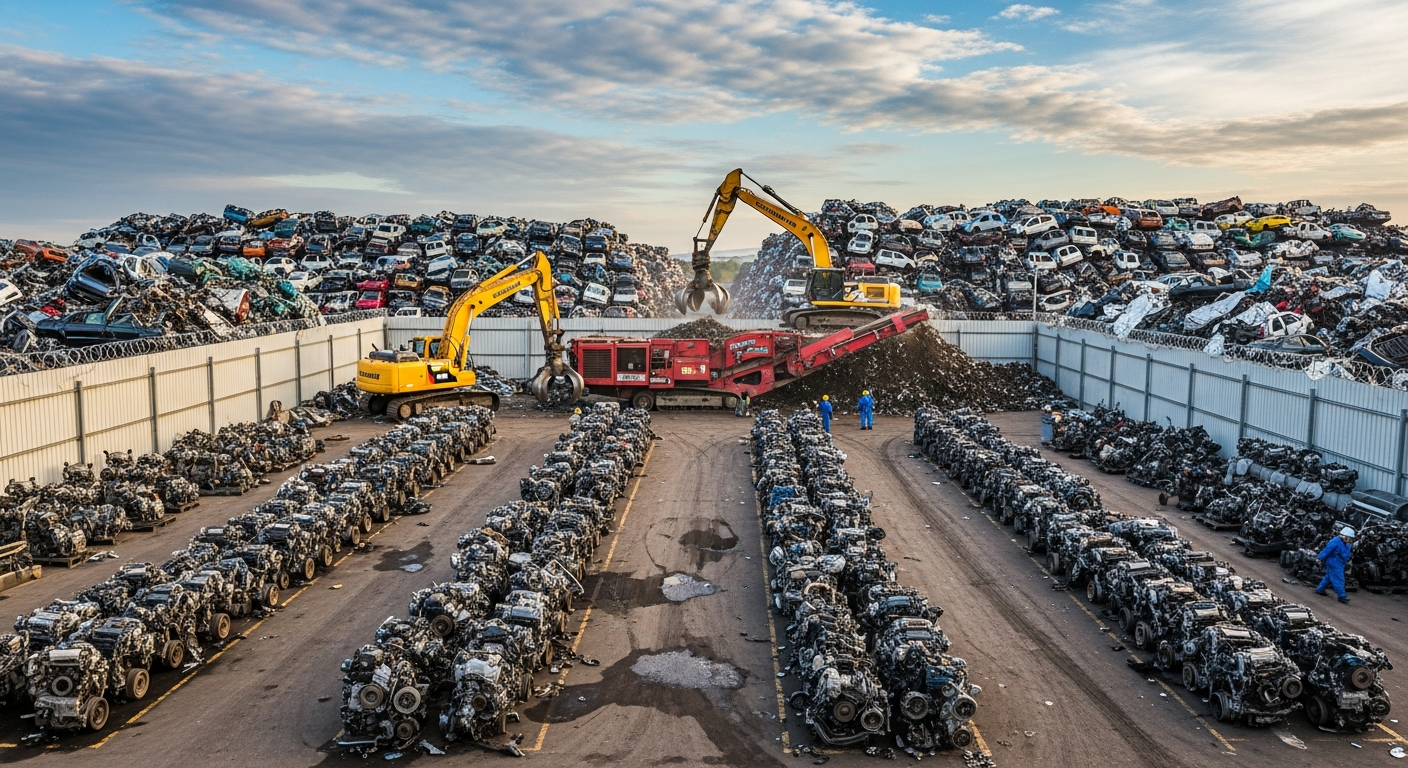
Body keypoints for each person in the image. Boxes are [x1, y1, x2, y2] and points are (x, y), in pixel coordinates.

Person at [1316, 526, 1355, 603]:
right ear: (1344, 536)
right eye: (1349, 538)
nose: (1350, 540)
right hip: (1334, 562)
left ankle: (1320, 589)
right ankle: (1342, 596)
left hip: (1340, 563)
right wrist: (1320, 558)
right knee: (1339, 579)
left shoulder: (1346, 543)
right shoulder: (1335, 541)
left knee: (1329, 577)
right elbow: (1327, 550)